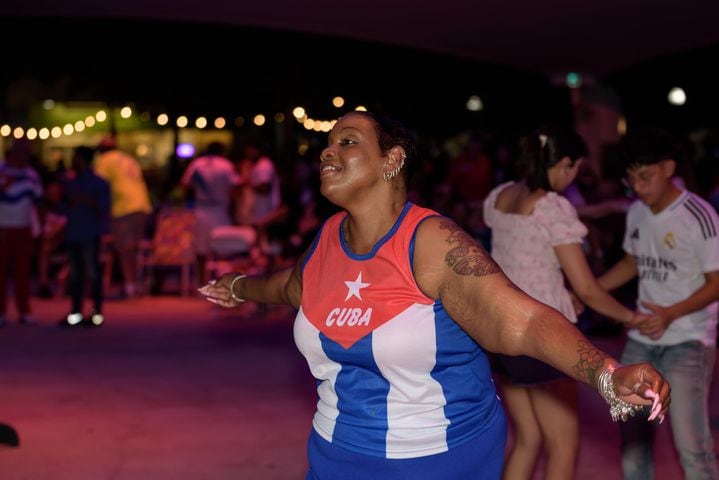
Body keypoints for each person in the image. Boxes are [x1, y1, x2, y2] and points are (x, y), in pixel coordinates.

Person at [199, 111, 671, 479]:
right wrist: (239, 286)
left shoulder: (432, 243)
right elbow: (289, 286)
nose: (327, 153)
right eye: (326, 145)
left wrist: (607, 373)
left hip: (432, 458)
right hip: (333, 452)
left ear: (392, 159)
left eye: (346, 142)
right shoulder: (327, 238)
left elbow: (521, 321)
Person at [482, 124, 649, 479]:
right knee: (562, 444)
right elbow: (587, 289)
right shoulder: (551, 207)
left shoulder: (500, 197)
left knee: (527, 439)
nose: (572, 179)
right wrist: (630, 316)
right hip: (544, 335)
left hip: (501, 333)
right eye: (575, 170)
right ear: (566, 164)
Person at [598, 127, 719, 480]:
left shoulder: (700, 217)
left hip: (689, 340)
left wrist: (670, 314)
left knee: (692, 446)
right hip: (641, 341)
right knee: (633, 442)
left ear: (668, 168)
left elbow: (717, 283)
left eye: (645, 176)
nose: (637, 186)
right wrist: (588, 291)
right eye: (631, 178)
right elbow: (631, 262)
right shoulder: (637, 212)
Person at [58, 146, 111, 327]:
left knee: (93, 273)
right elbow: (63, 206)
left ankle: (96, 313)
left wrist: (83, 199)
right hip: (73, 233)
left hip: (89, 233)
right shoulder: (71, 182)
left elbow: (104, 207)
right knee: (75, 276)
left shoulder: (98, 183)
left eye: (76, 157)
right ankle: (76, 313)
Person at [94, 136, 152, 298]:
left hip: (124, 208)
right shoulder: (128, 159)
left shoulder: (105, 160)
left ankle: (130, 286)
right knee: (132, 248)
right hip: (142, 205)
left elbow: (98, 184)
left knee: (125, 249)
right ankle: (132, 283)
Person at [180, 141, 241, 282]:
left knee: (201, 249)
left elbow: (184, 185)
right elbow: (235, 187)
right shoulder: (226, 165)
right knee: (223, 248)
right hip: (220, 210)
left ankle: (203, 283)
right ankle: (222, 282)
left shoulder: (197, 164)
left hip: (201, 209)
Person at [0, 138, 43, 326]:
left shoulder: (31, 175)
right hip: (2, 228)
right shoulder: (1, 170)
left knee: (23, 272)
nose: (25, 154)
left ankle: (24, 311)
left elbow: (38, 201)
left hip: (23, 228)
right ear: (13, 151)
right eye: (22, 150)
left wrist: (39, 228)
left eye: (27, 151)